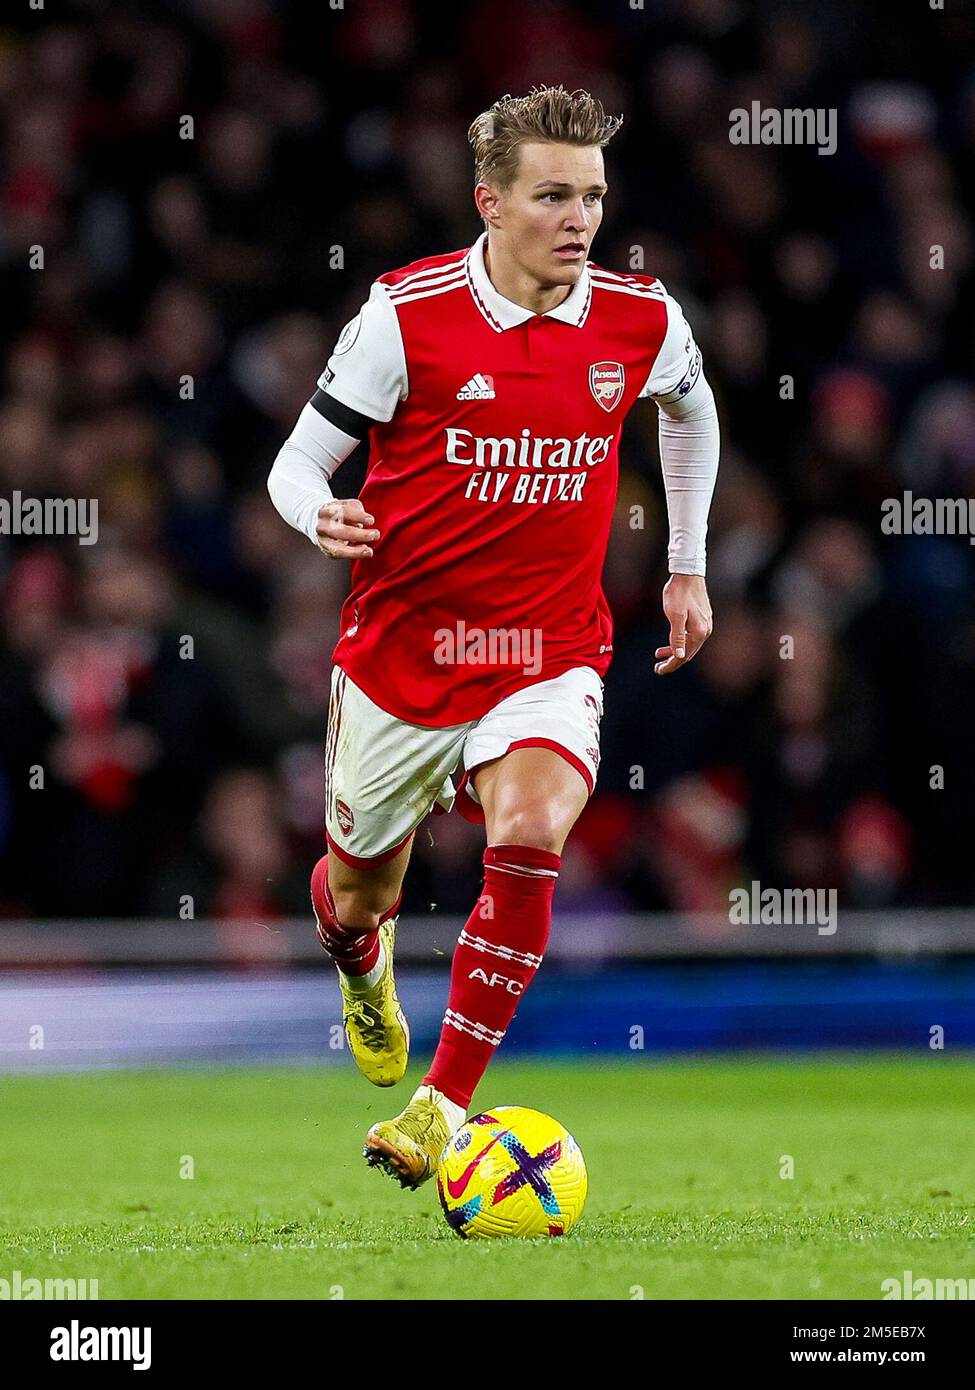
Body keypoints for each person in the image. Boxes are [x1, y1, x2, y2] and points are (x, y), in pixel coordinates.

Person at [267, 85, 719, 1189]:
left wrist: (687, 566)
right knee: (357, 889)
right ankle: (357, 959)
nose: (580, 220)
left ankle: (442, 1105)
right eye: (554, 196)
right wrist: (315, 514)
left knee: (532, 828)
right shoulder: (405, 316)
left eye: (595, 197)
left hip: (549, 651)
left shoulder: (641, 320)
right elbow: (295, 463)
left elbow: (691, 408)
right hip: (401, 660)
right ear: (490, 202)